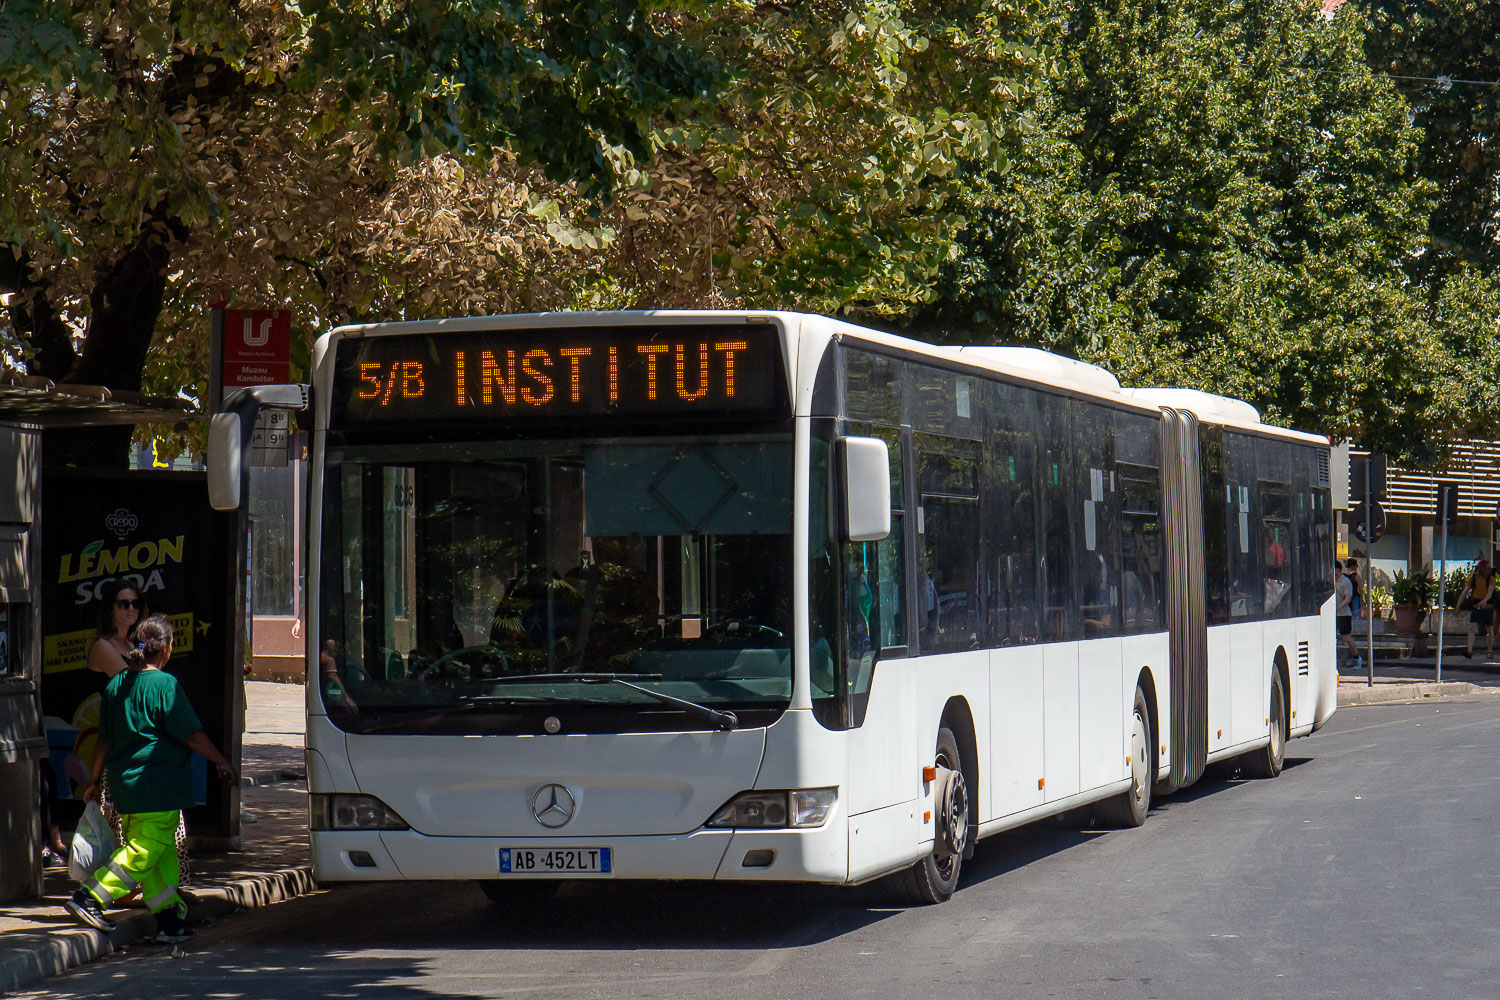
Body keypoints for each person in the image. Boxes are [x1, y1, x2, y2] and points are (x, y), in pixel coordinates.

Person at [64, 615, 238, 943]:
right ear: (167, 647)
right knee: (144, 851)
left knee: (161, 856)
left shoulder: (116, 685)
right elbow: (192, 736)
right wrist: (222, 761)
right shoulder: (164, 685)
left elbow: (103, 741)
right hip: (159, 788)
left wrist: (93, 781)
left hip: (126, 788)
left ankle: (169, 921)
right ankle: (90, 896)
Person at [87, 581, 148, 679]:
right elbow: (132, 683)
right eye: (124, 604)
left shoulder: (133, 642)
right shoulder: (102, 645)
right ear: (110, 608)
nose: (131, 608)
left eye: (136, 603)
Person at [1459, 558, 1495, 659]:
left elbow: (1490, 592)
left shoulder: (1491, 579)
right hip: (1476, 606)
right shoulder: (1473, 578)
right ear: (1482, 568)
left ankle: (1489, 651)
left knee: (1489, 628)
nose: (1489, 570)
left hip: (1488, 607)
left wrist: (1484, 600)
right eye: (1488, 568)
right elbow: (1464, 592)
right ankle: (1469, 650)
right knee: (1472, 626)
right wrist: (1458, 605)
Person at [1335, 561, 1360, 672]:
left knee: (1346, 638)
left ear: (1338, 570)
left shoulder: (1346, 582)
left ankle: (1356, 657)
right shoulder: (1330, 581)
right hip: (1331, 615)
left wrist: (1339, 607)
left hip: (1343, 614)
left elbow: (1348, 598)